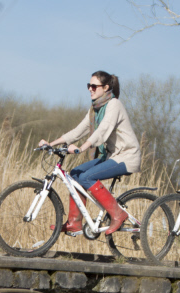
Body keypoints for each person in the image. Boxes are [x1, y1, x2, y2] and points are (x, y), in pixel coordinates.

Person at [39, 71, 142, 236]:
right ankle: (75, 222)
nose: (90, 89)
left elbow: (103, 130)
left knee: (87, 177)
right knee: (74, 175)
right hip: (111, 156)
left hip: (126, 156)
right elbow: (78, 131)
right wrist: (51, 144)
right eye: (89, 86)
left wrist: (82, 147)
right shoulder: (95, 109)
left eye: (94, 86)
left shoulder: (114, 104)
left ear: (106, 87)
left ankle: (118, 214)